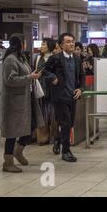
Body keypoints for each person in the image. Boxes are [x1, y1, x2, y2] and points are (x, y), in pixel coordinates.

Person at [0, 34, 44, 172]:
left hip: (26, 99)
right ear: (19, 43)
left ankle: (18, 151)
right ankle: (7, 162)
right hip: (14, 102)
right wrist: (29, 77)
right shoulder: (10, 60)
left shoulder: (21, 57)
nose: (26, 43)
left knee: (31, 126)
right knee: (12, 132)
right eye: (24, 41)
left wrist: (32, 75)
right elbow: (10, 80)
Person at [44, 33, 85, 162]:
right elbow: (44, 71)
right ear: (61, 45)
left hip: (72, 96)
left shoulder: (77, 59)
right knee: (66, 123)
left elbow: (82, 77)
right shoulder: (55, 58)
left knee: (69, 123)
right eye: (67, 42)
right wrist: (53, 78)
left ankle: (57, 140)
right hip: (60, 96)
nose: (71, 44)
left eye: (72, 41)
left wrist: (81, 89)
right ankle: (66, 151)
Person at [34, 38, 56, 145]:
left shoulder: (55, 58)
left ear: (50, 46)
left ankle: (54, 137)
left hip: (52, 90)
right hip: (40, 89)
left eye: (43, 44)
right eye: (41, 44)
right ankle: (42, 138)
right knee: (42, 114)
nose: (41, 46)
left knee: (53, 114)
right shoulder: (38, 58)